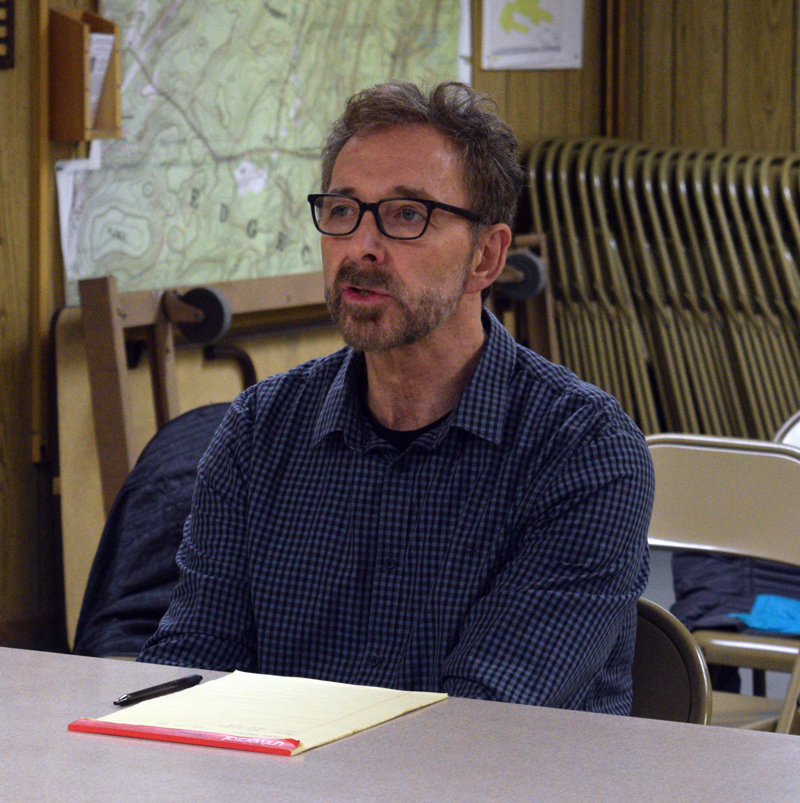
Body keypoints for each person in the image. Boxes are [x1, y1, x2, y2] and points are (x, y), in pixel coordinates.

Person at [139, 81, 654, 715]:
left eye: (407, 215)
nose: (361, 246)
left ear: (486, 257)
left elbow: (483, 720)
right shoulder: (259, 430)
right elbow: (192, 669)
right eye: (342, 210)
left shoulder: (583, 451)